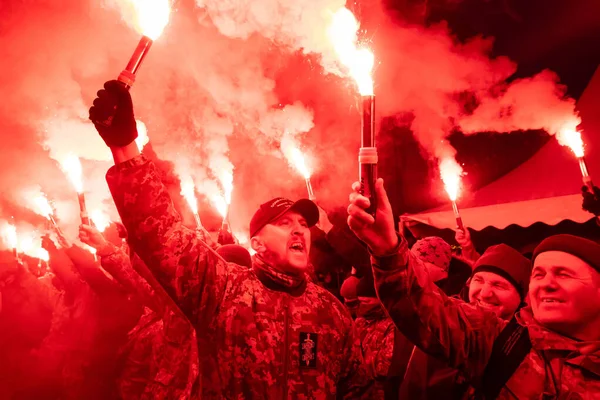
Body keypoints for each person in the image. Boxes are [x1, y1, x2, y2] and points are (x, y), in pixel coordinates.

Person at [88, 80, 363, 398]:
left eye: (303, 224)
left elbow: (358, 390)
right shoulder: (222, 290)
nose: (299, 230)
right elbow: (162, 234)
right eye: (285, 224)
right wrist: (125, 148)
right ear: (257, 244)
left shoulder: (331, 311)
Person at [347, 178, 600, 399]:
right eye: (539, 274)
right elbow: (423, 306)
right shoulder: (501, 340)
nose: (546, 283)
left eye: (563, 274)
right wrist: (388, 249)